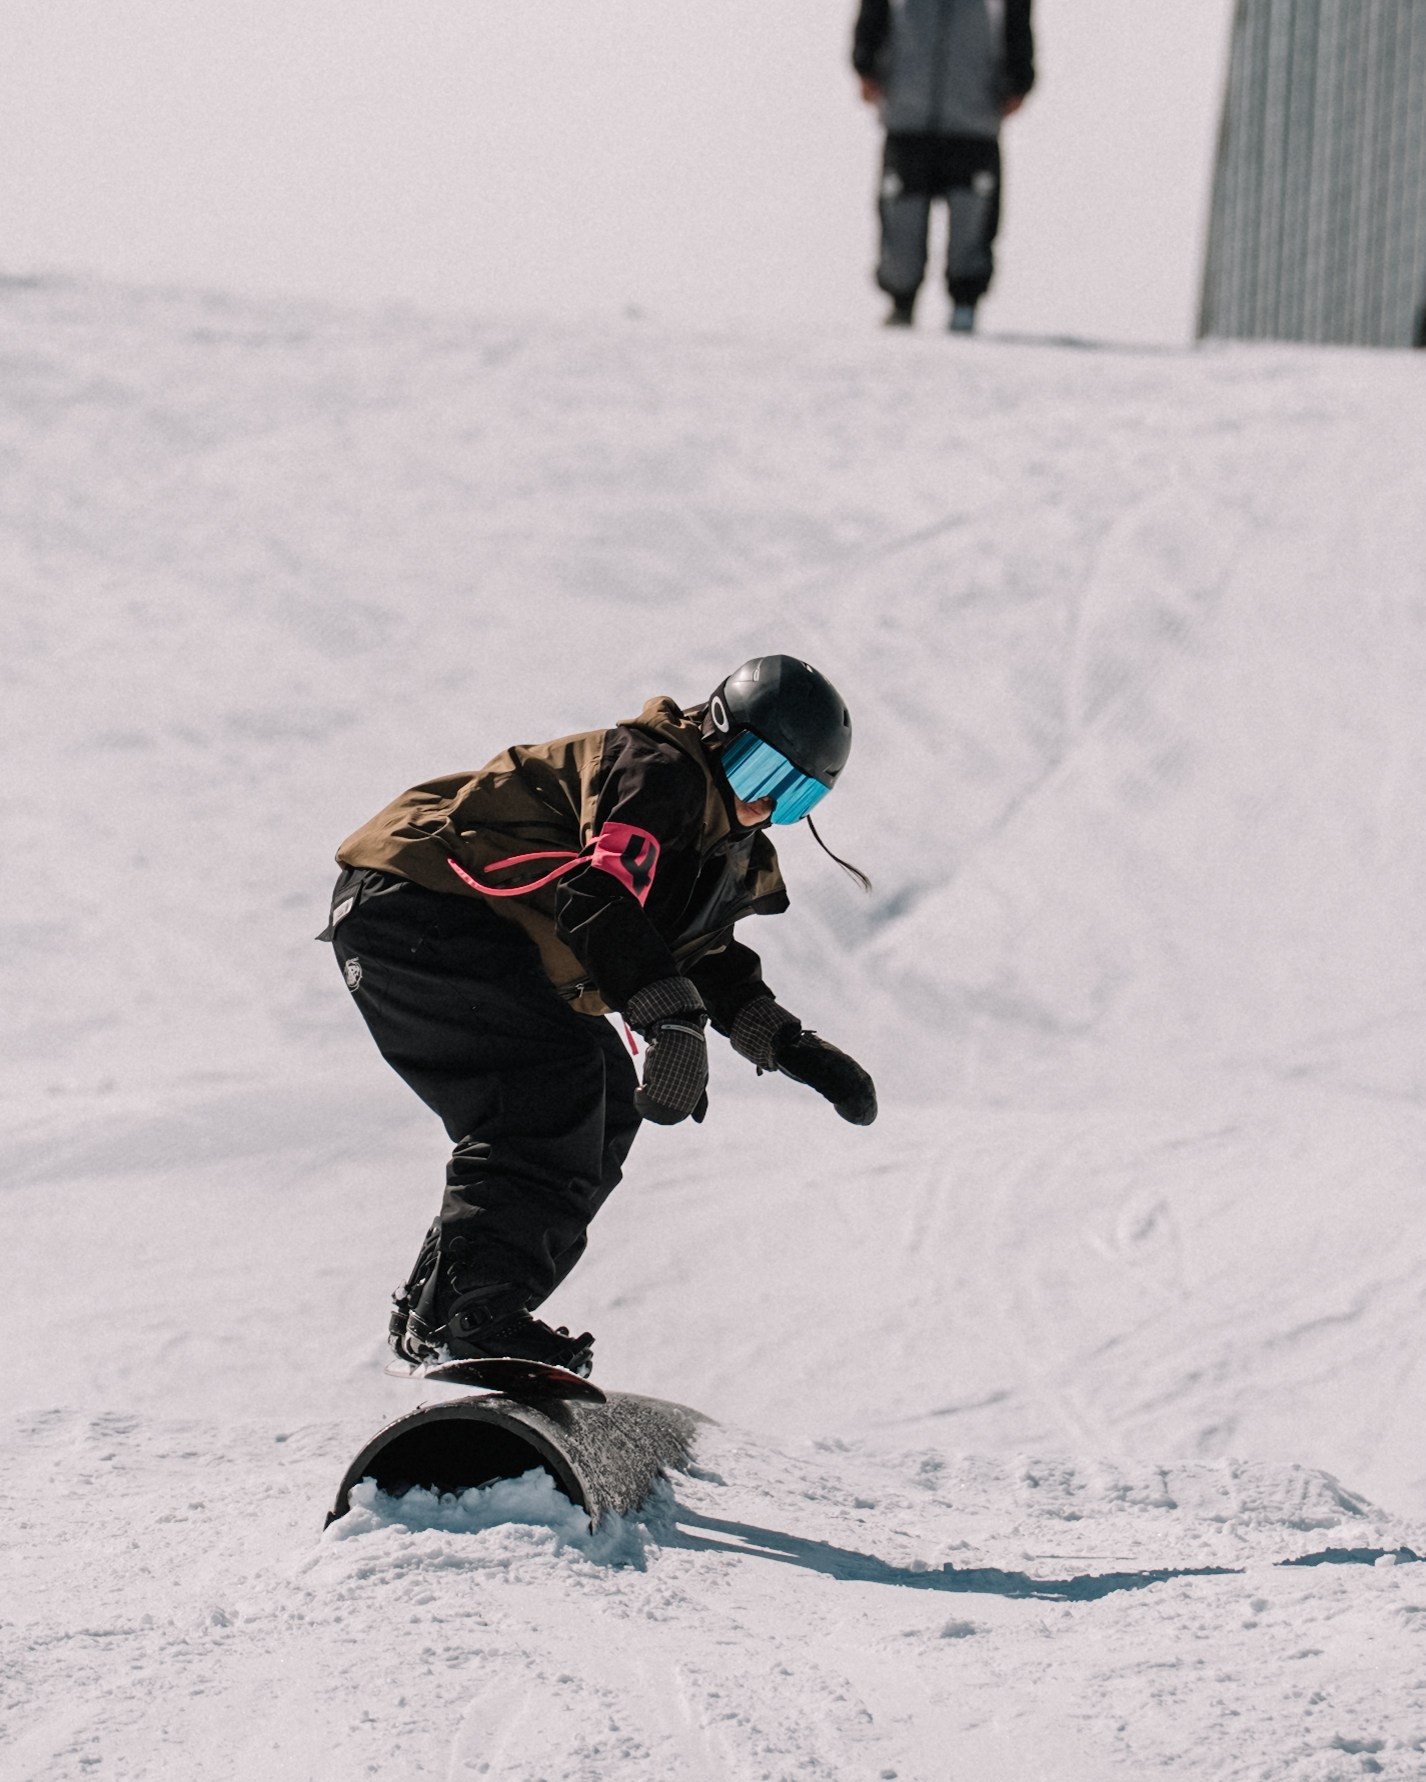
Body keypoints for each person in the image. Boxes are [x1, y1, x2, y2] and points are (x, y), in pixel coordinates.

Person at [321, 656, 878, 1377]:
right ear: (715, 733)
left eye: (795, 796)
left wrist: (788, 1044)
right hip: (414, 899)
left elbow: (700, 955)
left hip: (445, 924)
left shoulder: (719, 849)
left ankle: (446, 1312)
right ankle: (474, 1313)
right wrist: (670, 1021)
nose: (765, 805)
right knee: (555, 1079)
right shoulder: (658, 773)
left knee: (606, 1095)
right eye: (759, 773)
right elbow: (600, 897)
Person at [852, 0, 1035, 332]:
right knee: (902, 215)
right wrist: (864, 64)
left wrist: (1020, 80)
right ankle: (901, 302)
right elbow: (873, 10)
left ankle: (965, 303)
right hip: (908, 113)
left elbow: (1018, 17)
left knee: (972, 216)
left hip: (974, 117)